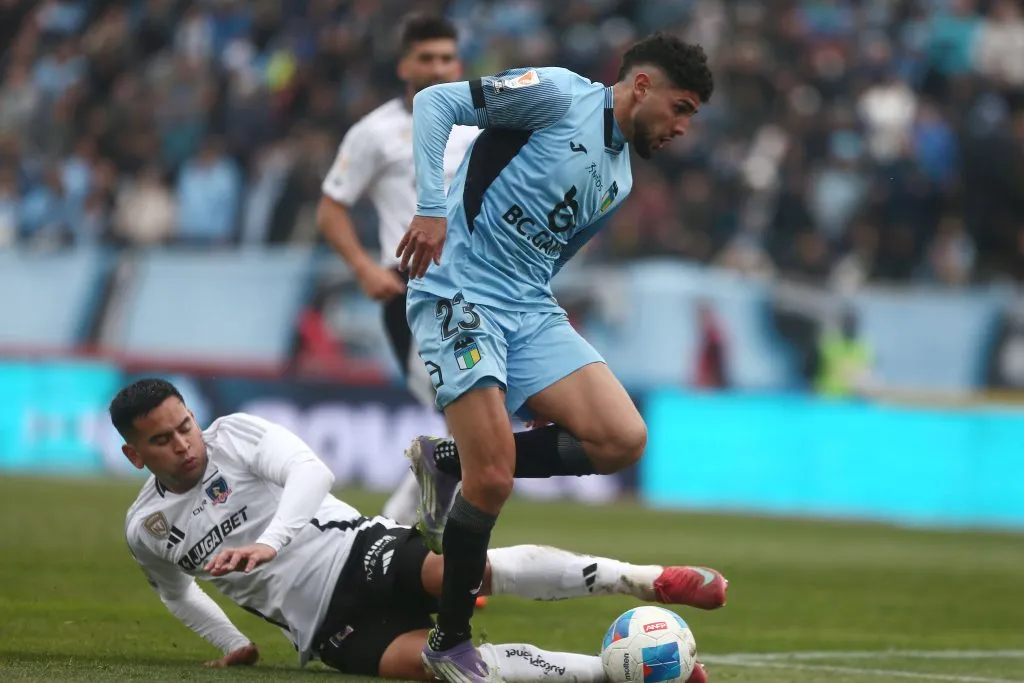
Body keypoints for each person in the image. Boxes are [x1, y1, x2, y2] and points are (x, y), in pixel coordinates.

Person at [394, 32, 717, 680]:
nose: (683, 127)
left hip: (528, 307)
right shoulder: (556, 94)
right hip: (461, 289)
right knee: (494, 477)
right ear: (643, 86)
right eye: (681, 108)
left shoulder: (620, 175)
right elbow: (434, 103)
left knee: (623, 438)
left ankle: (443, 461)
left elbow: (552, 253)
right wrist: (432, 209)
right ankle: (450, 639)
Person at [115, 378, 724, 681]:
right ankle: (620, 672)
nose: (184, 445)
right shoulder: (147, 527)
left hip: (359, 550)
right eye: (162, 440)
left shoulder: (235, 435)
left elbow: (310, 470)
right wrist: (231, 642)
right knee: (445, 669)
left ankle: (647, 580)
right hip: (326, 628)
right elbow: (176, 590)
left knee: (461, 571)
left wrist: (269, 542)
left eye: (185, 425)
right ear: (135, 455)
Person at [316, 14, 480, 527]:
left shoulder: (481, 123)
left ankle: (406, 542)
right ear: (404, 65)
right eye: (426, 58)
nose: (437, 67)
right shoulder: (375, 133)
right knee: (468, 427)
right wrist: (365, 268)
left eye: (445, 57)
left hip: (482, 289)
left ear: (459, 62)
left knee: (471, 433)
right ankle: (422, 547)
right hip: (416, 294)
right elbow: (330, 208)